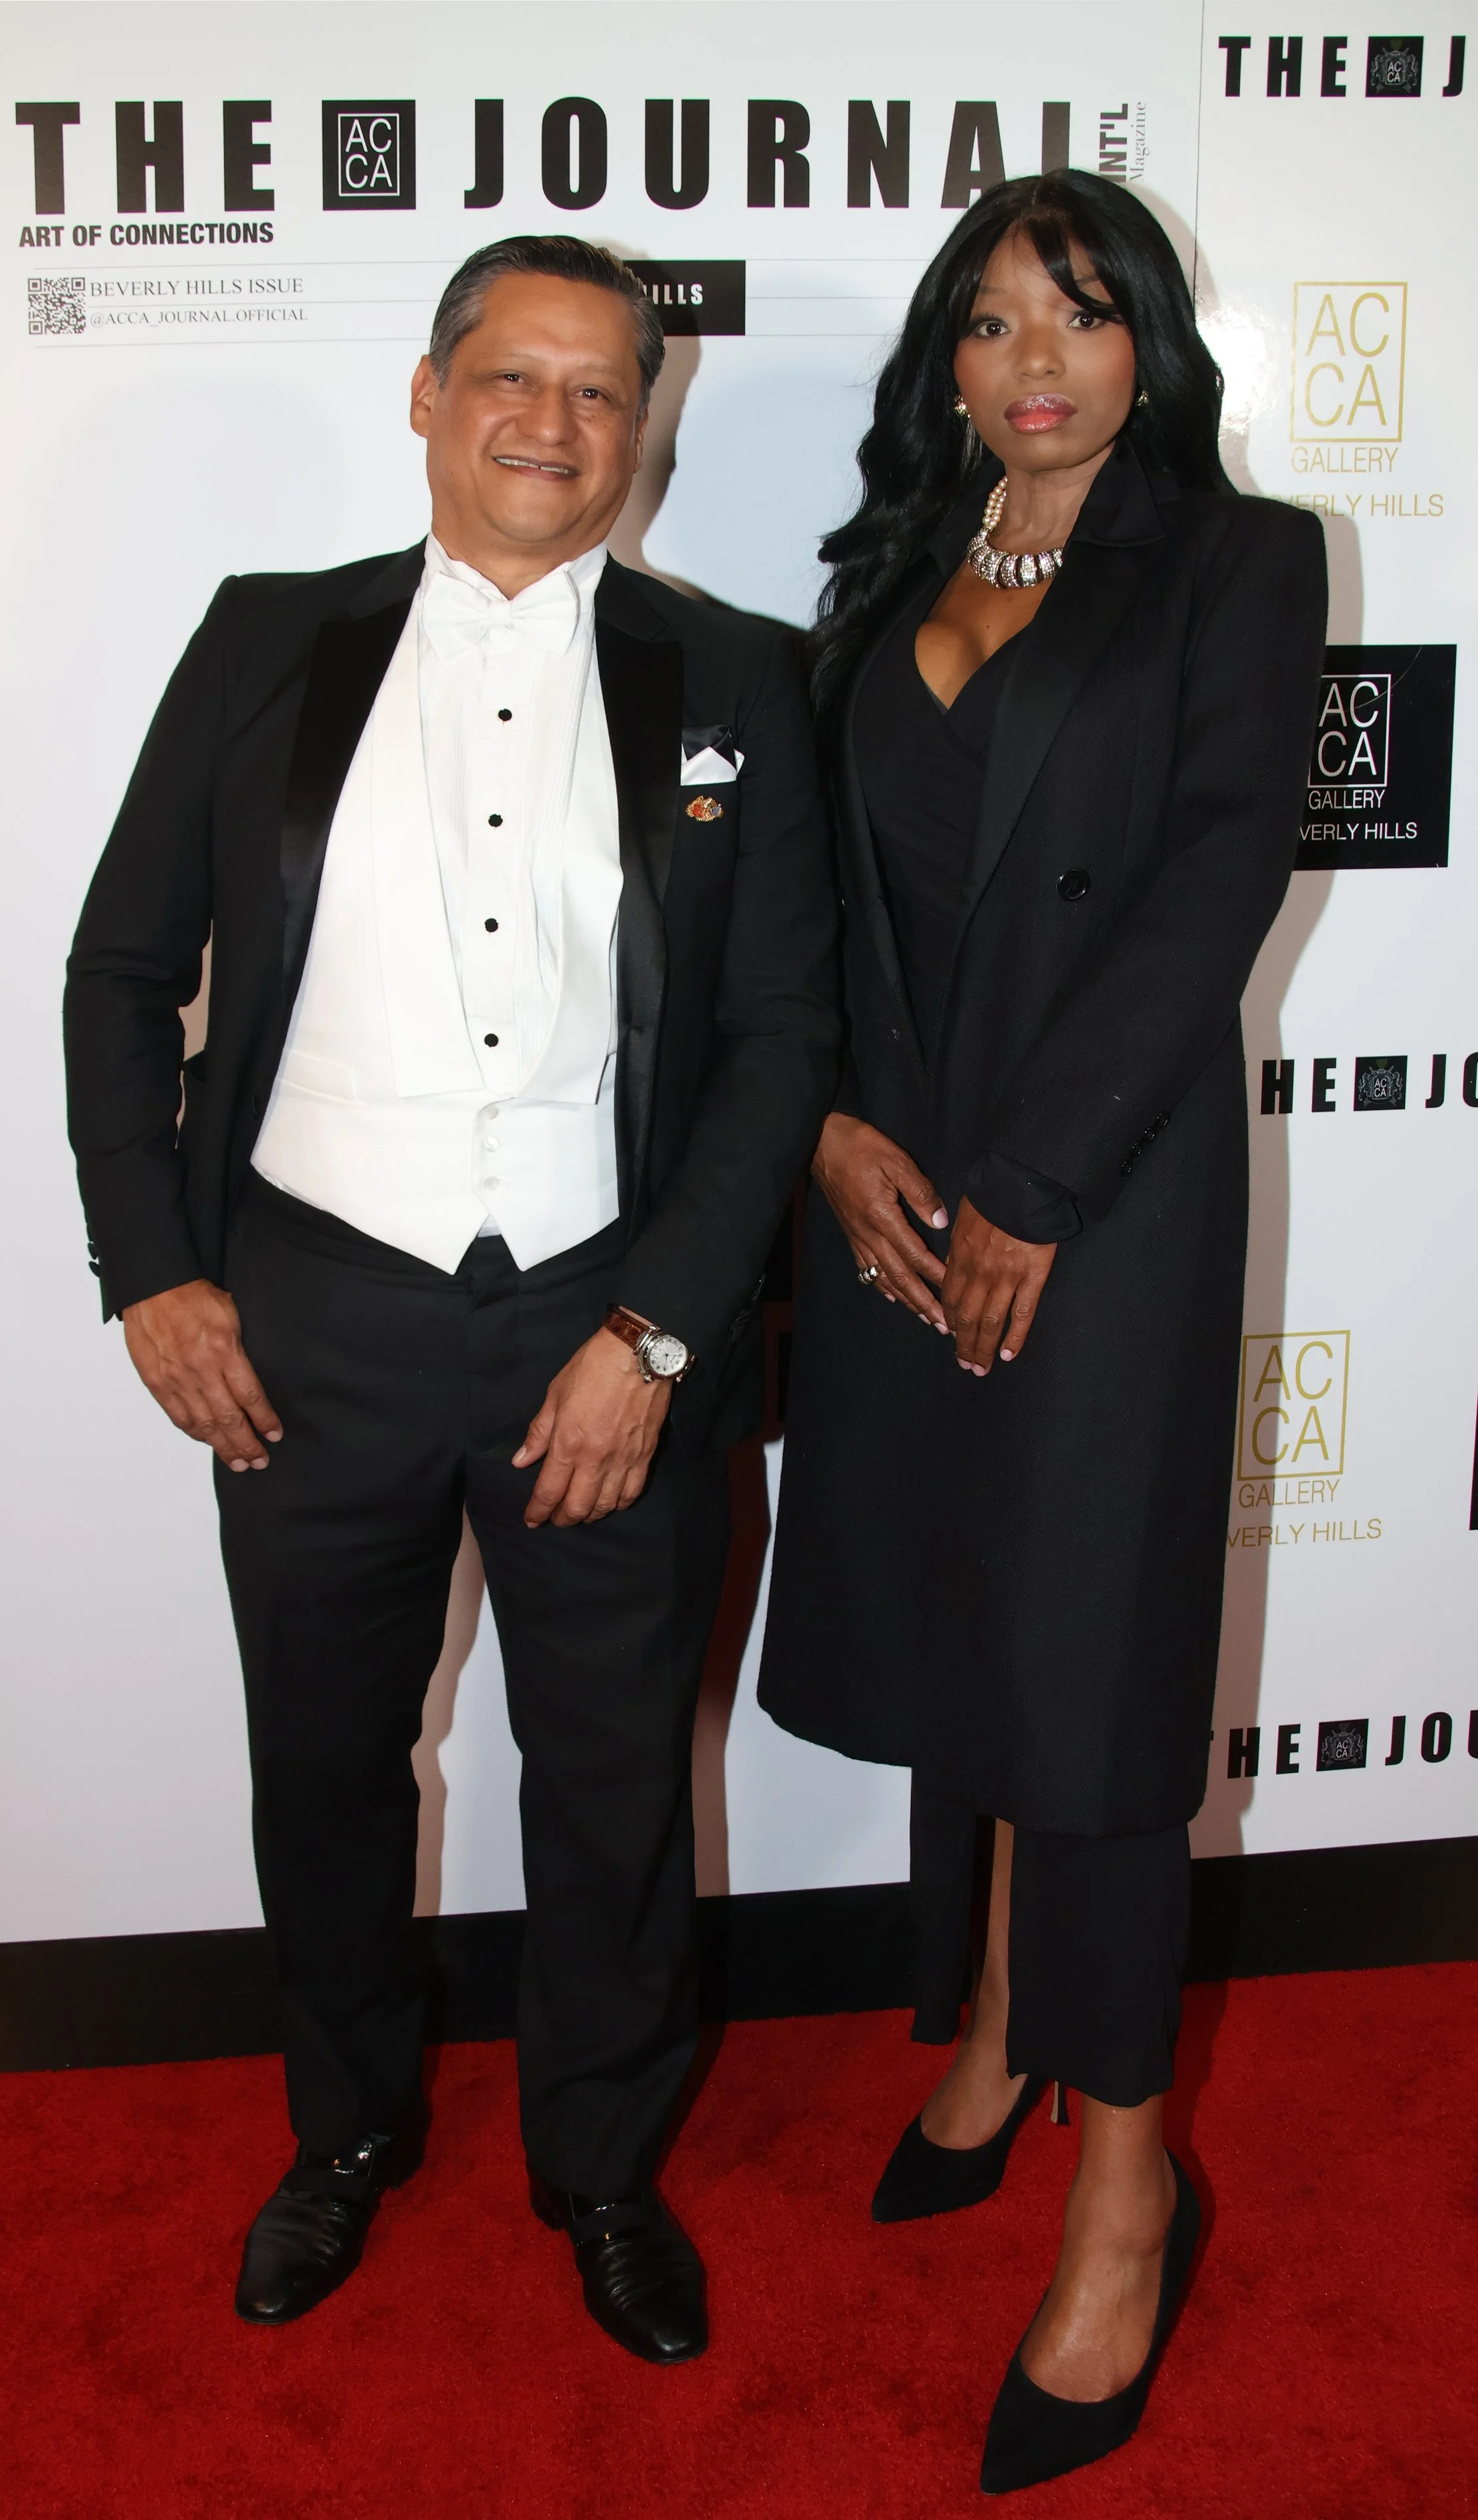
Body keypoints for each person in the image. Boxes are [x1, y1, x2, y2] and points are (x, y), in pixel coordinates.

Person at [64, 234, 839, 2364]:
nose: (550, 423)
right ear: (426, 394)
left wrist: (656, 1334)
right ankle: (341, 2134)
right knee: (324, 1763)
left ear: (641, 427)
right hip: (309, 1317)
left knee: (612, 1776)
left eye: (599, 390)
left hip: (604, 1319)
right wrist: (150, 1269)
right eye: (510, 375)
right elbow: (121, 970)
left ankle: (600, 2164)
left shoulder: (737, 678)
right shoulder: (267, 640)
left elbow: (778, 1036)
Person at [758, 173, 1325, 2490]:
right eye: (990, 323)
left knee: (1085, 1685)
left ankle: (1124, 2196)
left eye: (1079, 316)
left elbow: (1213, 877)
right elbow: (808, 899)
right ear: (947, 363)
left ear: (1147, 342)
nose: (1035, 363)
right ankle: (991, 2018)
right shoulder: (892, 567)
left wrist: (1041, 1184)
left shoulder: (1238, 559)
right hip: (894, 1198)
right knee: (952, 1624)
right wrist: (820, 1127)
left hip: (1102, 1204)